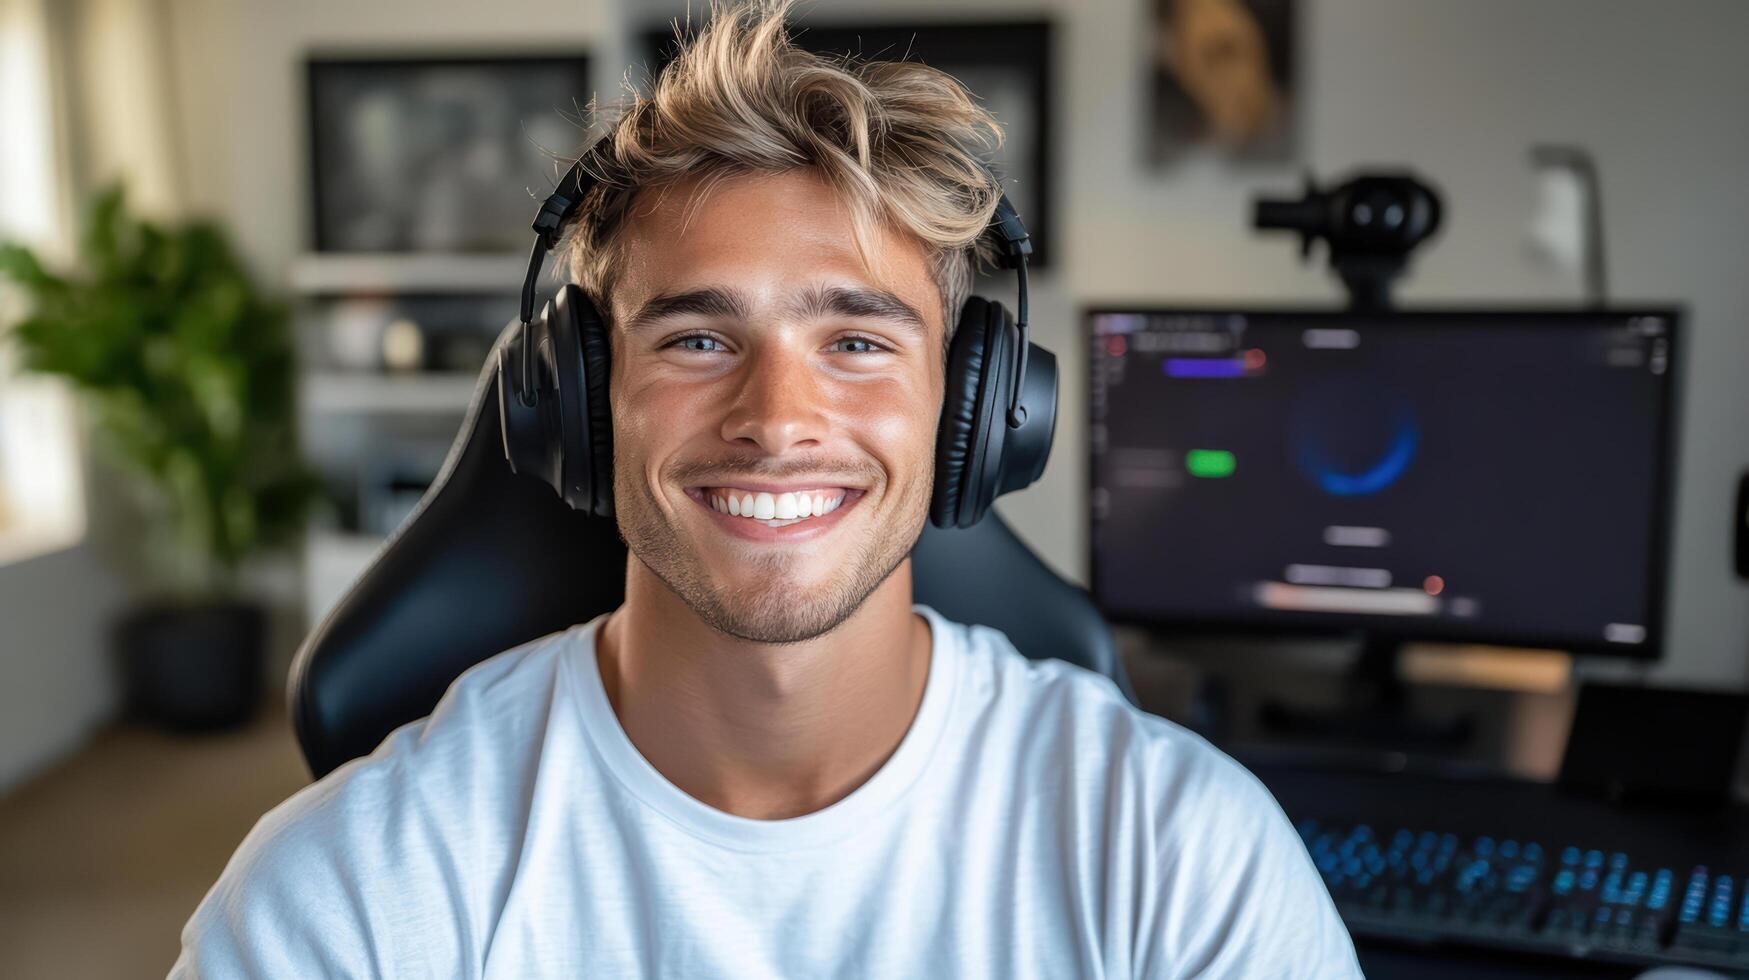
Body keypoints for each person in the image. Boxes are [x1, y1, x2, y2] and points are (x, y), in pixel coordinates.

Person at [171, 2, 1359, 976]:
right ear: (581, 403)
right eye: (695, 339)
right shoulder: (347, 896)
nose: (778, 421)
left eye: (858, 341)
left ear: (975, 409)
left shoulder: (1179, 854)